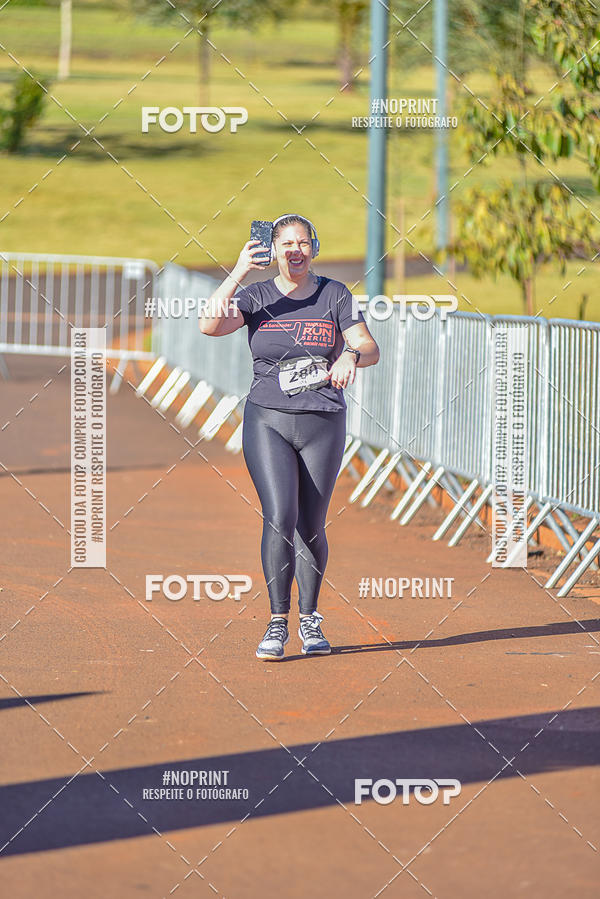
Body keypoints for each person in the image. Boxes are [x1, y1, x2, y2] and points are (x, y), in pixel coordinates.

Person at [200, 214, 380, 660]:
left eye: (302, 243)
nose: (295, 251)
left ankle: (310, 619)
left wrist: (351, 356)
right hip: (269, 420)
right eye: (286, 244)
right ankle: (277, 623)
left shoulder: (334, 294)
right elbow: (209, 325)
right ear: (274, 251)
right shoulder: (256, 296)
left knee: (310, 525)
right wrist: (238, 271)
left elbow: (370, 345)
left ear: (313, 248)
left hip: (323, 421)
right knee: (280, 515)